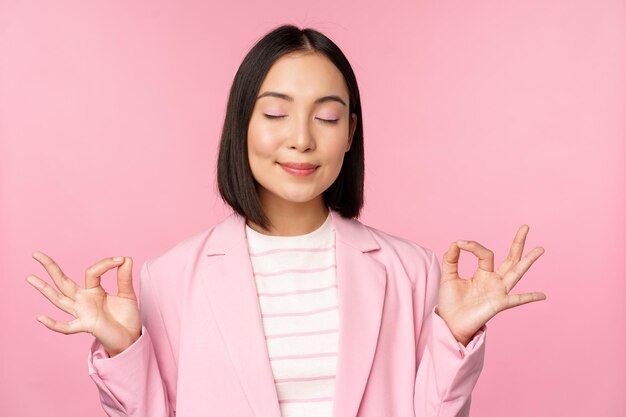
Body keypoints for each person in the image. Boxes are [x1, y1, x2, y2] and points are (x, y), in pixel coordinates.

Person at [26, 24, 546, 417]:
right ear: (242, 124)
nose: (301, 137)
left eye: (326, 116)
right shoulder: (169, 278)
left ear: (350, 133)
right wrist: (123, 352)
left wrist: (452, 340)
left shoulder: (413, 270)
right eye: (275, 114)